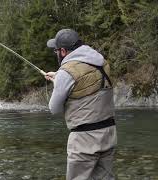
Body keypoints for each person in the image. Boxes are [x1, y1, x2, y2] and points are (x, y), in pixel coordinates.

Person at [45, 29, 117, 180]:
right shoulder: (101, 62)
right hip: (109, 134)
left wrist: (59, 81)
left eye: (56, 51)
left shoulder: (66, 72)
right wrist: (58, 78)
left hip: (84, 141)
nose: (56, 54)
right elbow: (85, 80)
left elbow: (54, 109)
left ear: (63, 51)